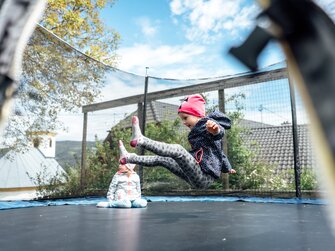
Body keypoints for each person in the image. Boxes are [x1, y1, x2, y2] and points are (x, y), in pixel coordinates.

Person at [119, 94, 236, 189]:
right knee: (163, 159)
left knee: (178, 150)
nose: (184, 122)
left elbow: (219, 133)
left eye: (185, 118)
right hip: (193, 176)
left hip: (204, 177)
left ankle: (141, 140)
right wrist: (228, 168)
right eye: (182, 119)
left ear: (198, 114)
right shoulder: (198, 130)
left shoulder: (207, 124)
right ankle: (130, 158)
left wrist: (215, 130)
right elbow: (219, 153)